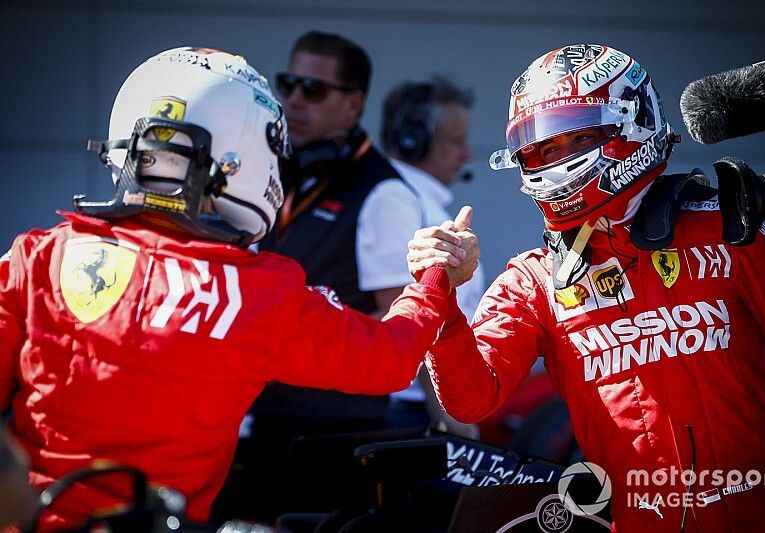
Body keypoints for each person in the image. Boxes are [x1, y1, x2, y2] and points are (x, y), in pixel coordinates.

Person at [0, 46, 478, 532]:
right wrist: (436, 275)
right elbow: (391, 356)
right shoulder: (257, 291)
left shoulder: (37, 257)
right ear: (241, 156)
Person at [407, 44, 765, 532]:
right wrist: (443, 300)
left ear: (632, 123)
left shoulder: (727, 228)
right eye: (539, 148)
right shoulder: (533, 281)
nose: (552, 160)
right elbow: (470, 401)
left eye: (572, 138)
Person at [223, 31, 431, 521]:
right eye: (288, 85)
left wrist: (304, 343)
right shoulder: (274, 174)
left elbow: (402, 320)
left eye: (313, 90)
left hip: (335, 432)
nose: (295, 99)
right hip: (261, 418)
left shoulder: (384, 193)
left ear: (353, 104)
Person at [380, 77, 485, 437]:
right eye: (456, 141)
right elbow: (408, 309)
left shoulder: (415, 199)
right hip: (412, 410)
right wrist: (450, 418)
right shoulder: (394, 198)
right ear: (413, 139)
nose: (467, 154)